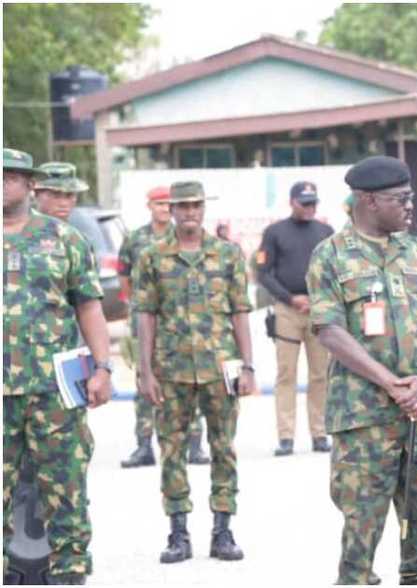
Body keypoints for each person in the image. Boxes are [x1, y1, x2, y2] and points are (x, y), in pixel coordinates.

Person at [308, 155, 417, 585]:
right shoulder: (331, 256)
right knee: (362, 525)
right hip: (364, 417)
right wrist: (389, 382)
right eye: (401, 199)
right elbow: (328, 329)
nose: (411, 206)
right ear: (369, 201)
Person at [3, 148, 113, 585]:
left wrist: (102, 367)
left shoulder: (64, 239)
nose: (4, 183)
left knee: (66, 494)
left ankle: (70, 576)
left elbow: (89, 306)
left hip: (54, 392)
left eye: (13, 176)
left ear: (31, 183)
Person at [134, 180, 256, 564]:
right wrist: (146, 371)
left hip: (221, 368)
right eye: (182, 206)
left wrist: (249, 366)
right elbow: (146, 316)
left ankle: (223, 530)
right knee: (171, 451)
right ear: (171, 210)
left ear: (204, 209)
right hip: (171, 369)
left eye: (196, 206)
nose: (190, 212)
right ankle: (178, 532)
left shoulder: (227, 255)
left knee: (224, 448)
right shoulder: (153, 257)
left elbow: (240, 312)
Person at [119, 186, 208, 468]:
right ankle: (144, 444)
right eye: (157, 204)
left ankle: (194, 444)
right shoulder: (135, 239)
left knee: (190, 379)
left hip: (180, 323)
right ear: (149, 206)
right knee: (144, 379)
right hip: (144, 319)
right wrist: (137, 306)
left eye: (165, 205)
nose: (161, 209)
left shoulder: (181, 236)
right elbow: (124, 276)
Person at [256, 181, 334, 456]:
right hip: (288, 309)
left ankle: (320, 433)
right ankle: (286, 436)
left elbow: (333, 270)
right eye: (305, 203)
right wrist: (291, 299)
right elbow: (263, 273)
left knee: (320, 375)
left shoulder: (325, 232)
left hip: (318, 308)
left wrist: (318, 299)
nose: (310, 208)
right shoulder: (275, 232)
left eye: (314, 202)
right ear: (292, 202)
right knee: (286, 374)